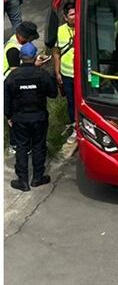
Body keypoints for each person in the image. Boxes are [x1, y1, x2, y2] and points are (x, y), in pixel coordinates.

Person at [5, 42, 58, 191]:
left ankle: (22, 180)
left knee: (21, 147)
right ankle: (37, 177)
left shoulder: (12, 76)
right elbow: (53, 93)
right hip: (39, 117)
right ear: (35, 57)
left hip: (20, 118)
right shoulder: (42, 74)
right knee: (38, 146)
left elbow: (6, 99)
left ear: (21, 57)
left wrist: (8, 116)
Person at [53, 3, 77, 143]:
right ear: (65, 17)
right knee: (71, 102)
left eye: (76, 13)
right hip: (67, 74)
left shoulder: (84, 27)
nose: (75, 17)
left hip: (85, 74)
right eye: (72, 14)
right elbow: (56, 52)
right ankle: (75, 128)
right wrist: (57, 72)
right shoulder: (60, 31)